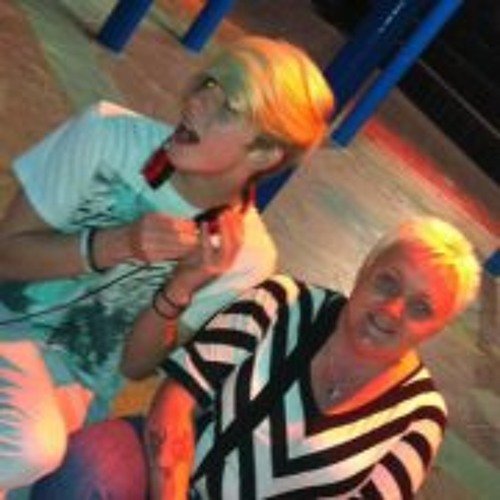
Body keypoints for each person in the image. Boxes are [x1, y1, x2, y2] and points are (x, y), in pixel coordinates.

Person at [0, 35, 334, 495]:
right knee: (29, 449)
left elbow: (135, 367)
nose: (196, 102)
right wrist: (112, 244)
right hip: (10, 324)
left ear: (263, 154)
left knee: (32, 455)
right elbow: (5, 257)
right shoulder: (107, 136)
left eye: (226, 107)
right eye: (208, 84)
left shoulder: (247, 257)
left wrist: (182, 286)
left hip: (68, 390)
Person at [32, 216, 481, 499]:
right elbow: (176, 401)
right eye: (387, 282)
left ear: (437, 327)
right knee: (87, 471)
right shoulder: (280, 302)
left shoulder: (420, 417)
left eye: (421, 308)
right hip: (172, 479)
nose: (392, 310)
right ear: (364, 269)